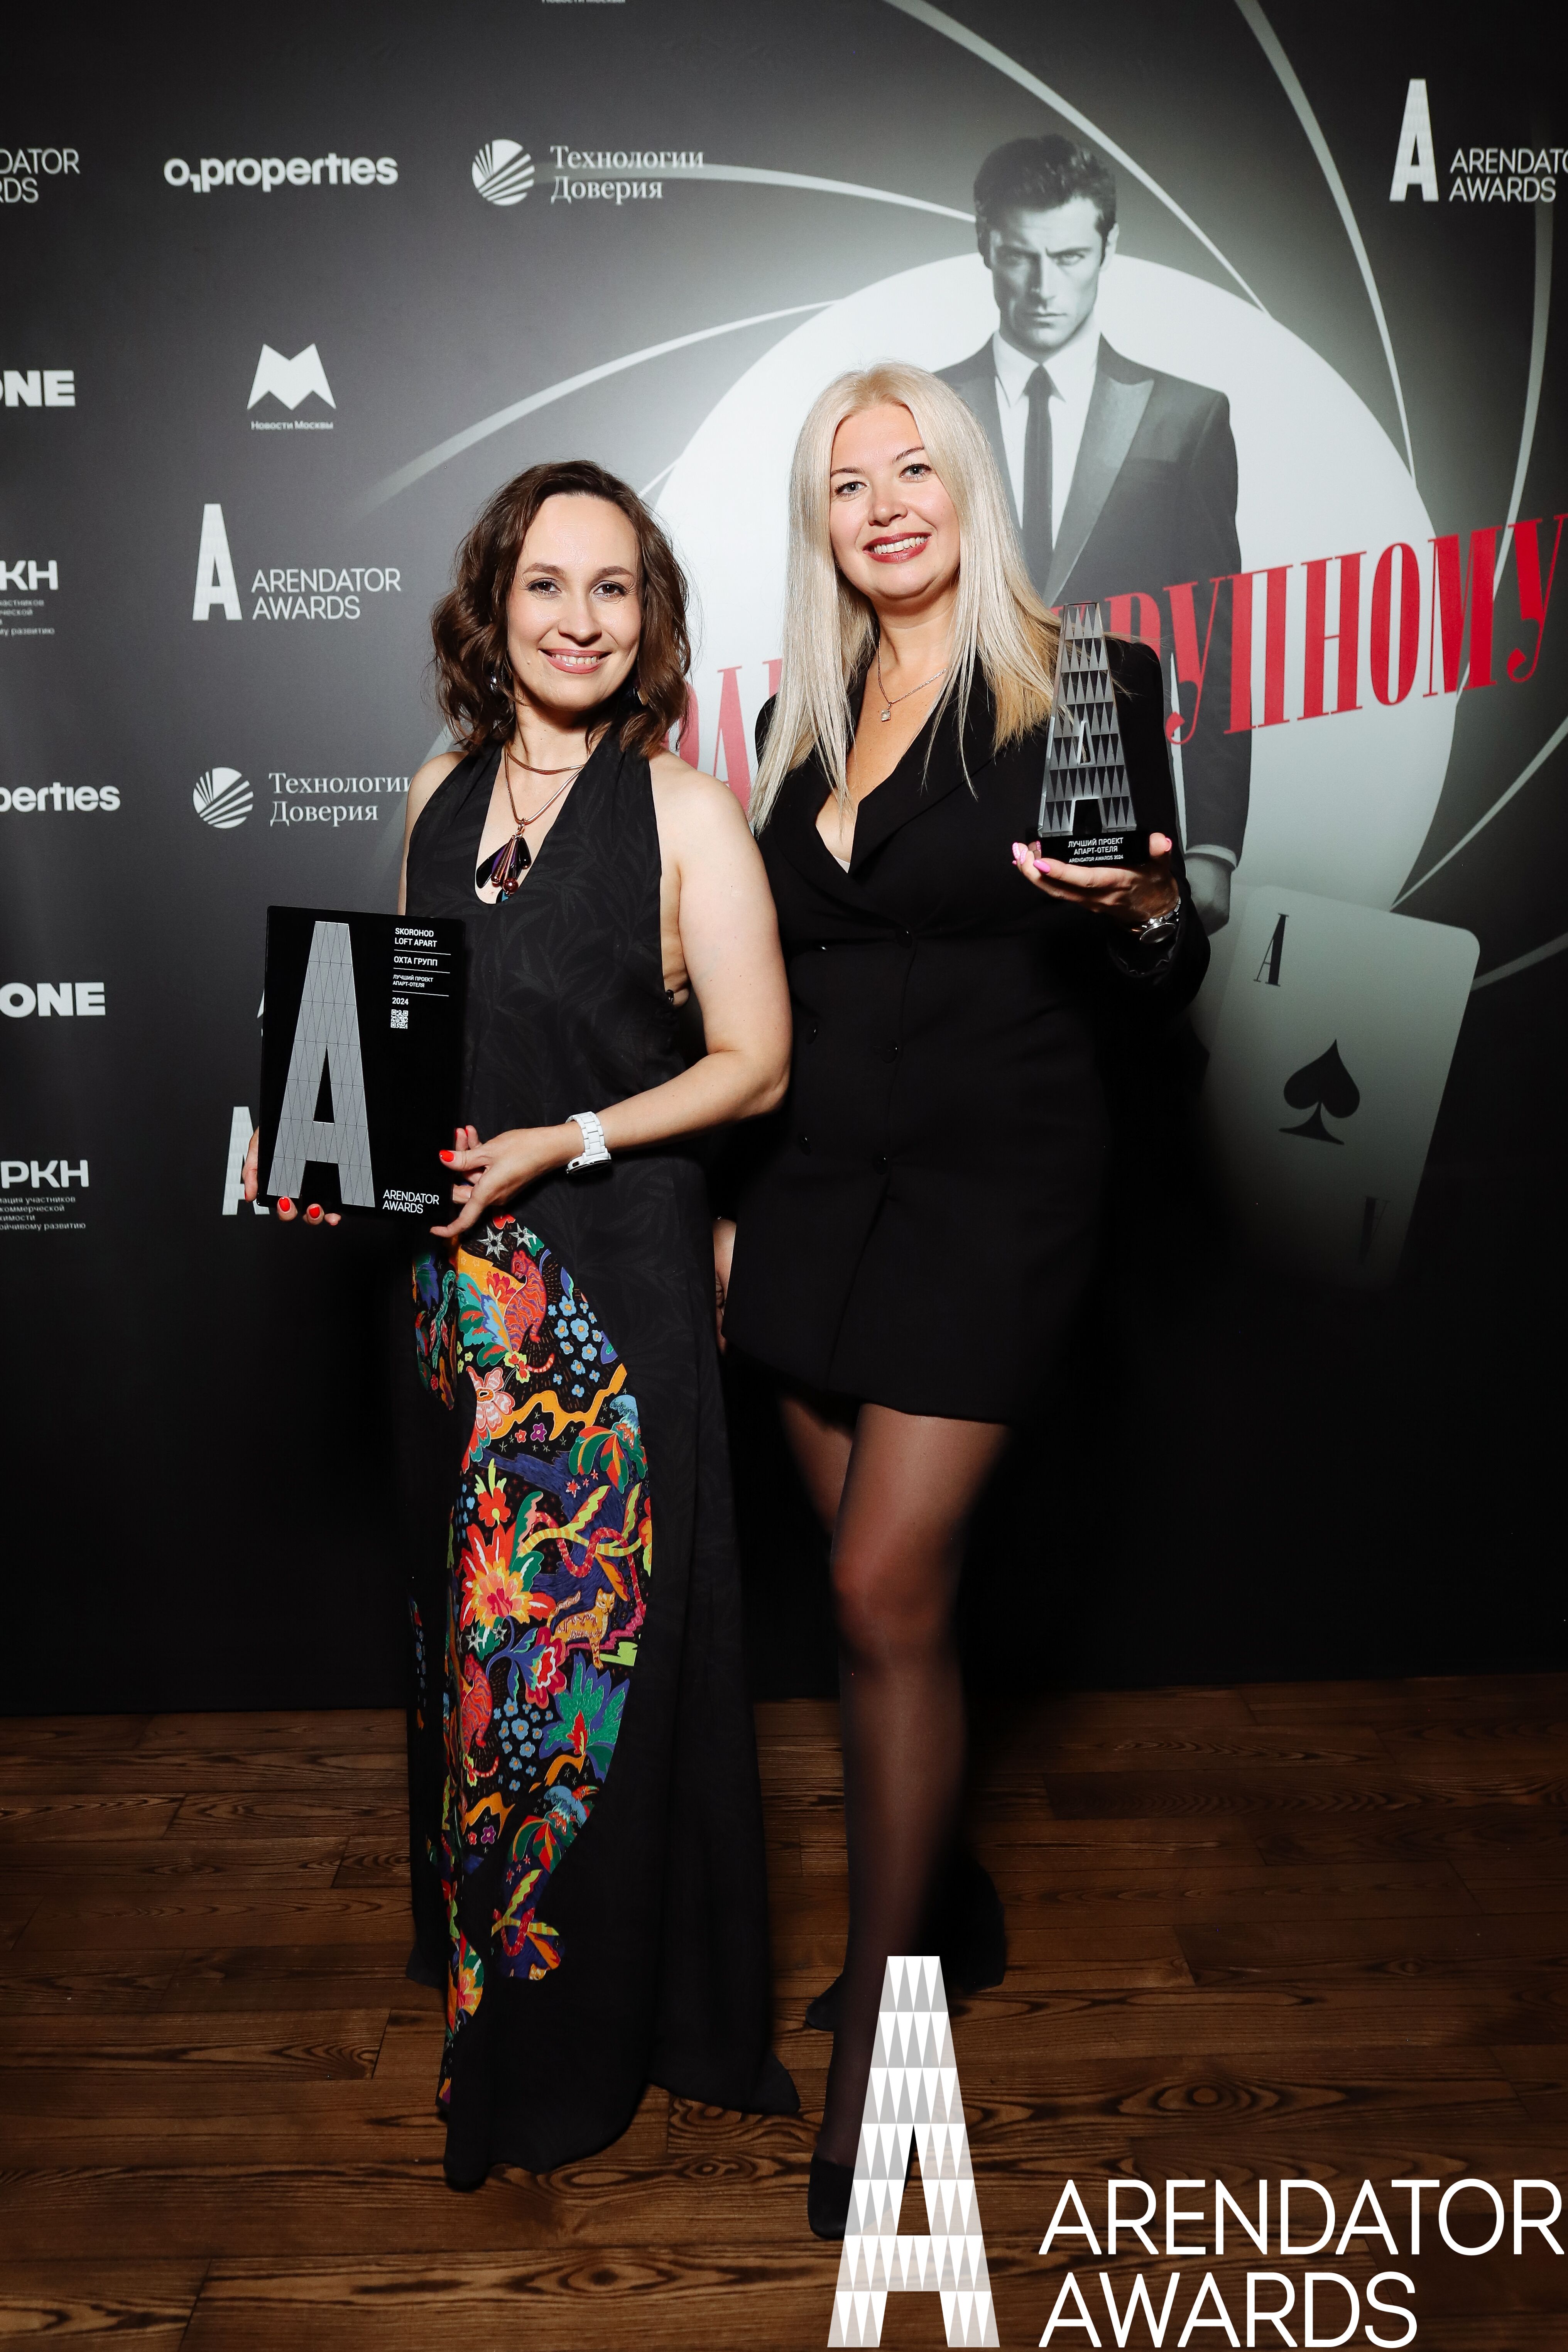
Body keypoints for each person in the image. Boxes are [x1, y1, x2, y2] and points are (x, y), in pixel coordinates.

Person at [247, 457, 798, 2185]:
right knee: (472, 1670)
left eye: (611, 588)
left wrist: (572, 1139)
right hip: (450, 1309)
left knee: (573, 1678)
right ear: (493, 606)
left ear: (649, 618)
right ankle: (491, 1983)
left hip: (608, 1308)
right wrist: (306, 1133)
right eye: (545, 584)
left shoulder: (684, 812)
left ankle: (572, 2045)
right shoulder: (435, 794)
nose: (578, 618)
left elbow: (755, 1062)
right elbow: (401, 1054)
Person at [715, 365, 1208, 2239]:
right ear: (821, 526)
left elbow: (1156, 954)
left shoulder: (1081, 683)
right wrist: (722, 1211)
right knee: (880, 1620)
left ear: (970, 486)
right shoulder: (795, 721)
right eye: (850, 484)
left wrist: (1144, 911)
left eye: (915, 466)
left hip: (995, 1196)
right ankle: (949, 1896)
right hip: (812, 1197)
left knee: (875, 1593)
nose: (887, 504)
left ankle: (884, 2026)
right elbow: (761, 987)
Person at [939, 134, 1247, 932]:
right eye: (1020, 257)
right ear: (985, 244)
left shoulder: (1186, 418)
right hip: (952, 796)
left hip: (1117, 799)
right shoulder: (921, 414)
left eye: (1071, 257)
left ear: (1109, 247)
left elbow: (1212, 637)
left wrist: (1214, 845)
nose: (1044, 287)